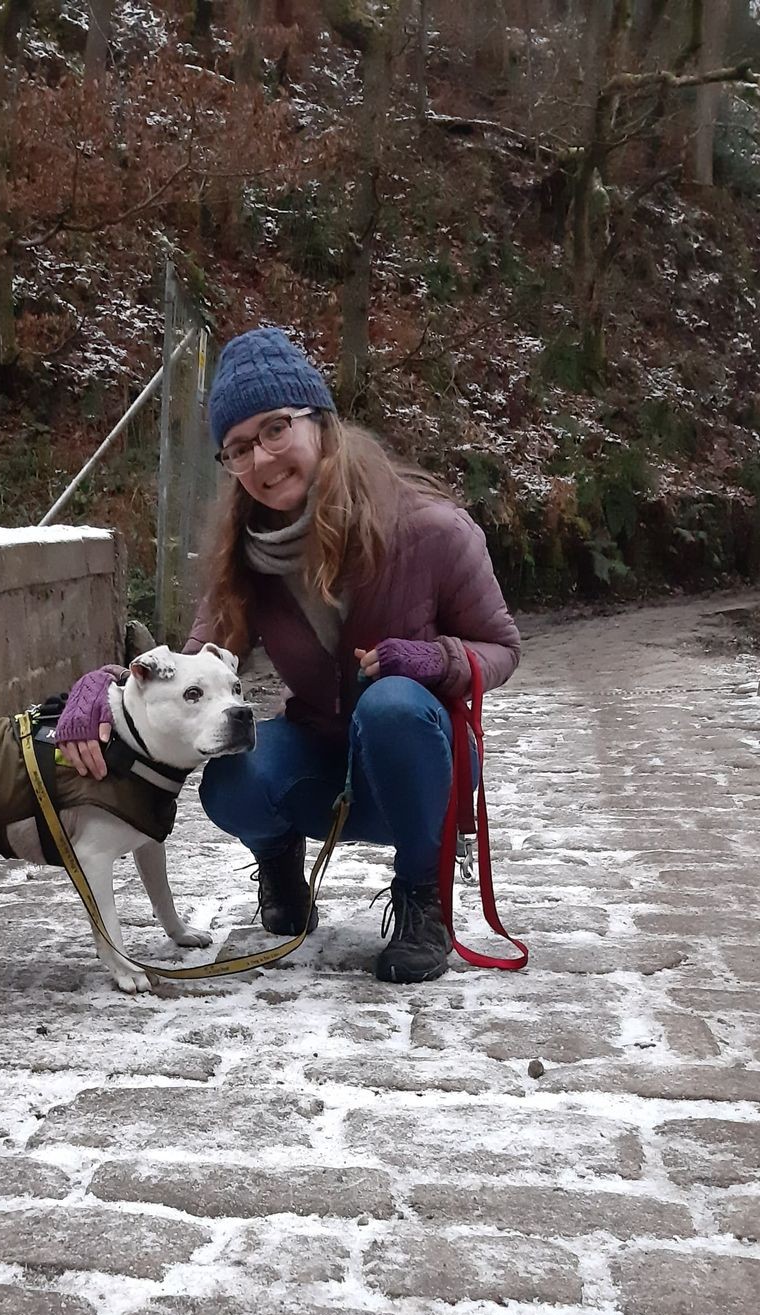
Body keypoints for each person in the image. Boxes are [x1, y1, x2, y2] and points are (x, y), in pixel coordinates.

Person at [56, 327, 521, 983]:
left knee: (391, 706)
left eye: (276, 429)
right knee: (230, 776)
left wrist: (432, 659)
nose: (262, 459)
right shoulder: (246, 556)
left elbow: (501, 647)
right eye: (238, 448)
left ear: (321, 422)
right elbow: (189, 666)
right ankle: (280, 868)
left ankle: (423, 898)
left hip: (423, 767)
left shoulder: (430, 529)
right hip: (319, 759)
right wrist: (99, 691)